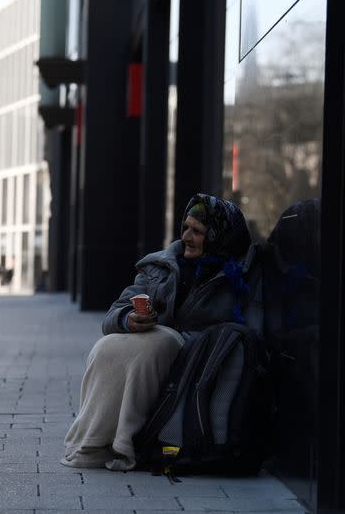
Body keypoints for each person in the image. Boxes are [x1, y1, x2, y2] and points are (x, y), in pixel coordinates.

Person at [61, 193, 261, 471]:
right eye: (186, 228)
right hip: (156, 342)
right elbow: (112, 315)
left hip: (199, 356)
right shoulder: (160, 267)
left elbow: (248, 331)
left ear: (218, 236)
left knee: (157, 343)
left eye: (198, 231)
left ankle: (123, 442)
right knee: (107, 347)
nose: (188, 236)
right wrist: (128, 319)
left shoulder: (238, 277)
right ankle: (93, 441)